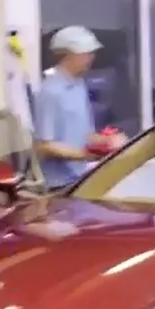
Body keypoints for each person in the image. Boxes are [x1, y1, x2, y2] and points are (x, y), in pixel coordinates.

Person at [34, 25, 122, 188]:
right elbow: (43, 146)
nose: (91, 58)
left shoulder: (79, 86)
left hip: (83, 178)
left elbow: (86, 135)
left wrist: (108, 142)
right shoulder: (50, 92)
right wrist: (85, 155)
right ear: (68, 55)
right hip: (60, 186)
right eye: (86, 54)